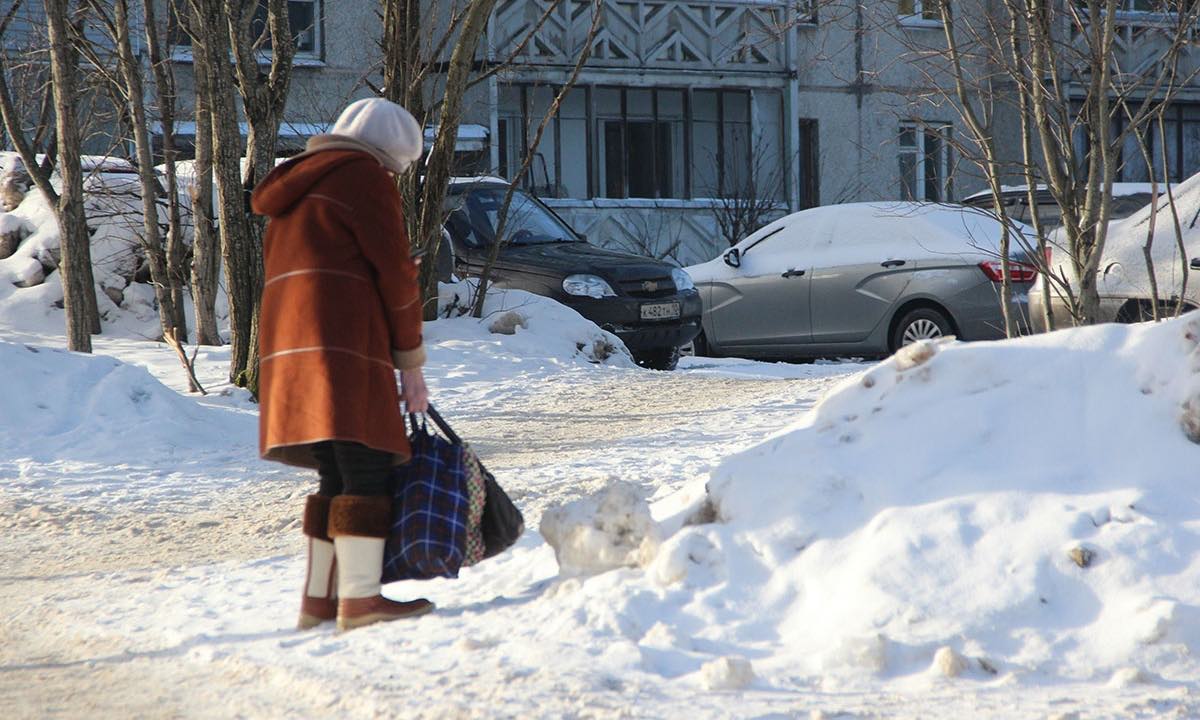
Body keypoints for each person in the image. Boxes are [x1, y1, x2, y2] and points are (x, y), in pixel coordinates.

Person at [250, 98, 432, 632]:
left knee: (336, 468)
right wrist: (411, 364)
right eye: (396, 169)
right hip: (344, 346)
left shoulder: (296, 185)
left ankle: (319, 602)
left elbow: (326, 265)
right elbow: (393, 278)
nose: (392, 178)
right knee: (368, 464)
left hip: (291, 348)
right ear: (386, 157)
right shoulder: (363, 178)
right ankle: (360, 600)